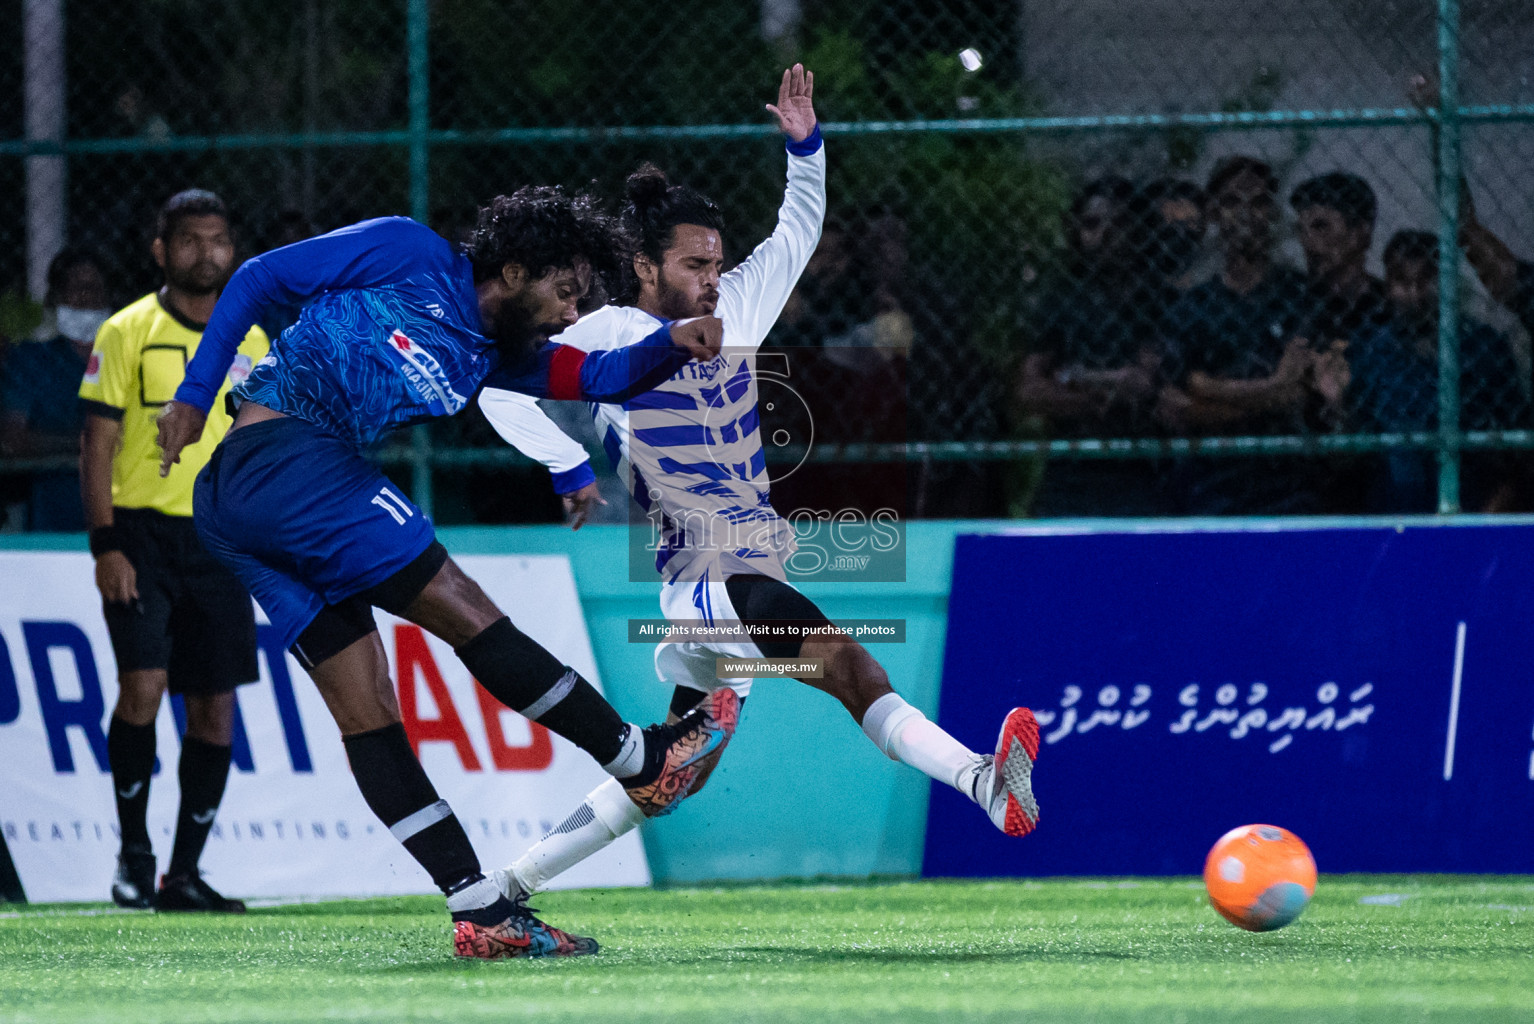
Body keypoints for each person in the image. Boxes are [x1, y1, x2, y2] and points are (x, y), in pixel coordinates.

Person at [477, 65, 1040, 905]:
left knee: (671, 770)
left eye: (717, 261)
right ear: (643, 266)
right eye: (693, 263)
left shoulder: (735, 312)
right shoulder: (603, 335)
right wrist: (564, 464)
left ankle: (504, 889)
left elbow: (799, 230)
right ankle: (982, 782)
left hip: (745, 577)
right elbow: (495, 385)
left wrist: (804, 149)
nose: (711, 276)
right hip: (704, 580)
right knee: (849, 664)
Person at [154, 184, 732, 959]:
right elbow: (258, 277)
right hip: (280, 459)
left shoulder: (496, 355)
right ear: (517, 269)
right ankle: (642, 759)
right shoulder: (409, 252)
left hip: (254, 499)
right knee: (463, 607)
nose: (571, 312)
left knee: (367, 712)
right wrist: (195, 394)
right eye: (565, 291)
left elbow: (599, 376)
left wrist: (675, 342)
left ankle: (479, 908)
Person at [77, 191, 269, 912]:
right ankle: (134, 854)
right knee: (144, 691)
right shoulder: (126, 330)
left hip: (221, 538)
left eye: (218, 240)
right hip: (141, 537)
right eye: (189, 240)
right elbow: (95, 445)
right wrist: (106, 544)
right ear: (161, 249)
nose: (206, 253)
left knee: (215, 710)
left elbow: (262, 440)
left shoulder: (249, 337)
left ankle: (183, 874)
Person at [1161, 156, 1336, 515]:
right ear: (1212, 214)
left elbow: (1299, 391)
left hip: (1289, 484)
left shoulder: (1301, 296)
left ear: (1271, 213)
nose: (1245, 214)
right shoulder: (1192, 307)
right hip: (1211, 485)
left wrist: (1208, 388)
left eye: (1257, 203)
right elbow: (1178, 407)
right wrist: (1272, 389)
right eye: (1230, 202)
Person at [1015, 177, 1175, 516]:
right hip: (1070, 467)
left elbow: (1141, 384)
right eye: (1091, 224)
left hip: (1140, 468)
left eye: (1117, 224)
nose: (1104, 235)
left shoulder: (1157, 299)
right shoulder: (1063, 298)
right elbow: (1029, 390)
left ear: (1137, 230)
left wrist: (1072, 377)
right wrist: (1097, 393)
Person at [1347, 230, 1530, 512]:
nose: (1414, 293)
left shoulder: (1483, 346)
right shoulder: (1371, 351)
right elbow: (1350, 448)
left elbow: (1516, 448)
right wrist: (1336, 403)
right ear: (1386, 284)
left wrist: (1488, 517)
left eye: (1426, 280)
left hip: (1470, 504)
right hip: (1392, 512)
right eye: (1401, 281)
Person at [0, 248, 112, 531]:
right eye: (75, 288)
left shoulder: (125, 360)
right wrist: (92, 442)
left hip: (122, 514)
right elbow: (14, 440)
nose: (86, 296)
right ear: (54, 298)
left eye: (94, 287)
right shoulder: (32, 360)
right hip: (52, 515)